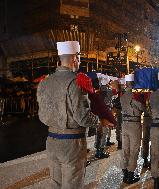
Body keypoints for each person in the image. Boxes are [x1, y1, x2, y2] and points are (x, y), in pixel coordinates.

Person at [37, 41, 113, 189]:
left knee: (56, 184)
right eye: (79, 57)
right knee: (72, 184)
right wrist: (100, 121)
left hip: (51, 140)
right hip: (72, 143)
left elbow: (42, 115)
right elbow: (82, 117)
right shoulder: (75, 82)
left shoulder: (44, 83)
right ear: (74, 59)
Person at [120, 74, 145, 184]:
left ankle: (125, 173)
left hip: (124, 124)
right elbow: (143, 108)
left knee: (125, 149)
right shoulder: (136, 96)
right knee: (134, 150)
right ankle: (130, 175)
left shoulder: (122, 96)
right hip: (134, 125)